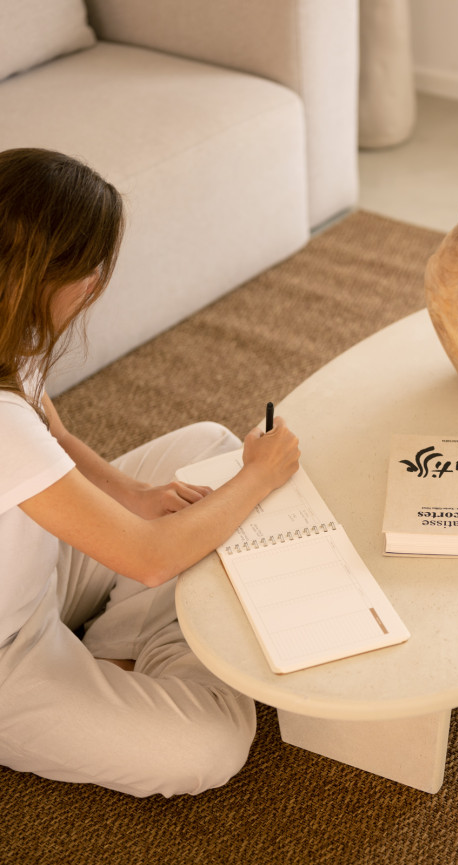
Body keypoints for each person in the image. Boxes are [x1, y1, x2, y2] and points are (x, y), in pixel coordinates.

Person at [0, 148, 300, 797]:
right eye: (91, 269)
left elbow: (48, 427)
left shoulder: (8, 333)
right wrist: (260, 476)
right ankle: (141, 655)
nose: (95, 285)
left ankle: (112, 652)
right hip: (6, 659)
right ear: (52, 276)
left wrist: (135, 494)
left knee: (205, 451)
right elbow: (151, 560)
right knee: (209, 744)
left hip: (29, 567)